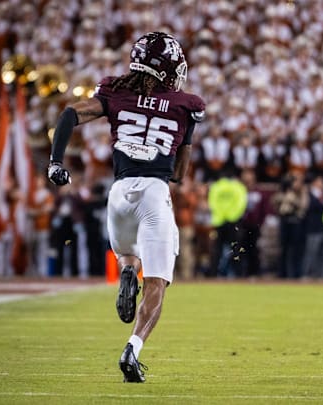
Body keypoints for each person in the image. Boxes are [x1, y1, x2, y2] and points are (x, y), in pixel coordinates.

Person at [47, 32, 205, 383]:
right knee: (159, 280)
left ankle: (128, 269)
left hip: (118, 193)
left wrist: (56, 162)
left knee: (129, 253)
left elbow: (69, 114)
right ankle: (133, 348)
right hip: (154, 191)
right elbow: (179, 173)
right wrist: (187, 136)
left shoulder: (115, 90)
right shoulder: (186, 104)